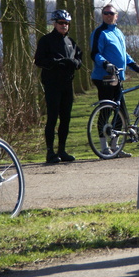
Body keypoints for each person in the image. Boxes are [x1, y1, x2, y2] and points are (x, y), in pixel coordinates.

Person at [90, 4, 139, 158]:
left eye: (111, 13)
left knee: (120, 111)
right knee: (106, 110)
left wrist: (137, 67)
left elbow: (124, 54)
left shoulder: (119, 33)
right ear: (102, 15)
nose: (108, 15)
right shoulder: (100, 33)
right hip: (104, 77)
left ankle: (116, 147)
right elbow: (94, 53)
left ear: (116, 16)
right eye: (105, 13)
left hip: (118, 77)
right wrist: (105, 64)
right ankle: (104, 147)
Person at [34, 10, 82, 164]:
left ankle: (62, 150)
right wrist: (56, 62)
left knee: (66, 118)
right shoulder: (46, 40)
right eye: (61, 23)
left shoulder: (71, 42)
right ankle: (50, 152)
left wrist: (75, 63)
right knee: (52, 117)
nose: (64, 26)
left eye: (67, 23)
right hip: (52, 85)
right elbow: (39, 60)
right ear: (54, 23)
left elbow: (78, 59)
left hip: (67, 85)